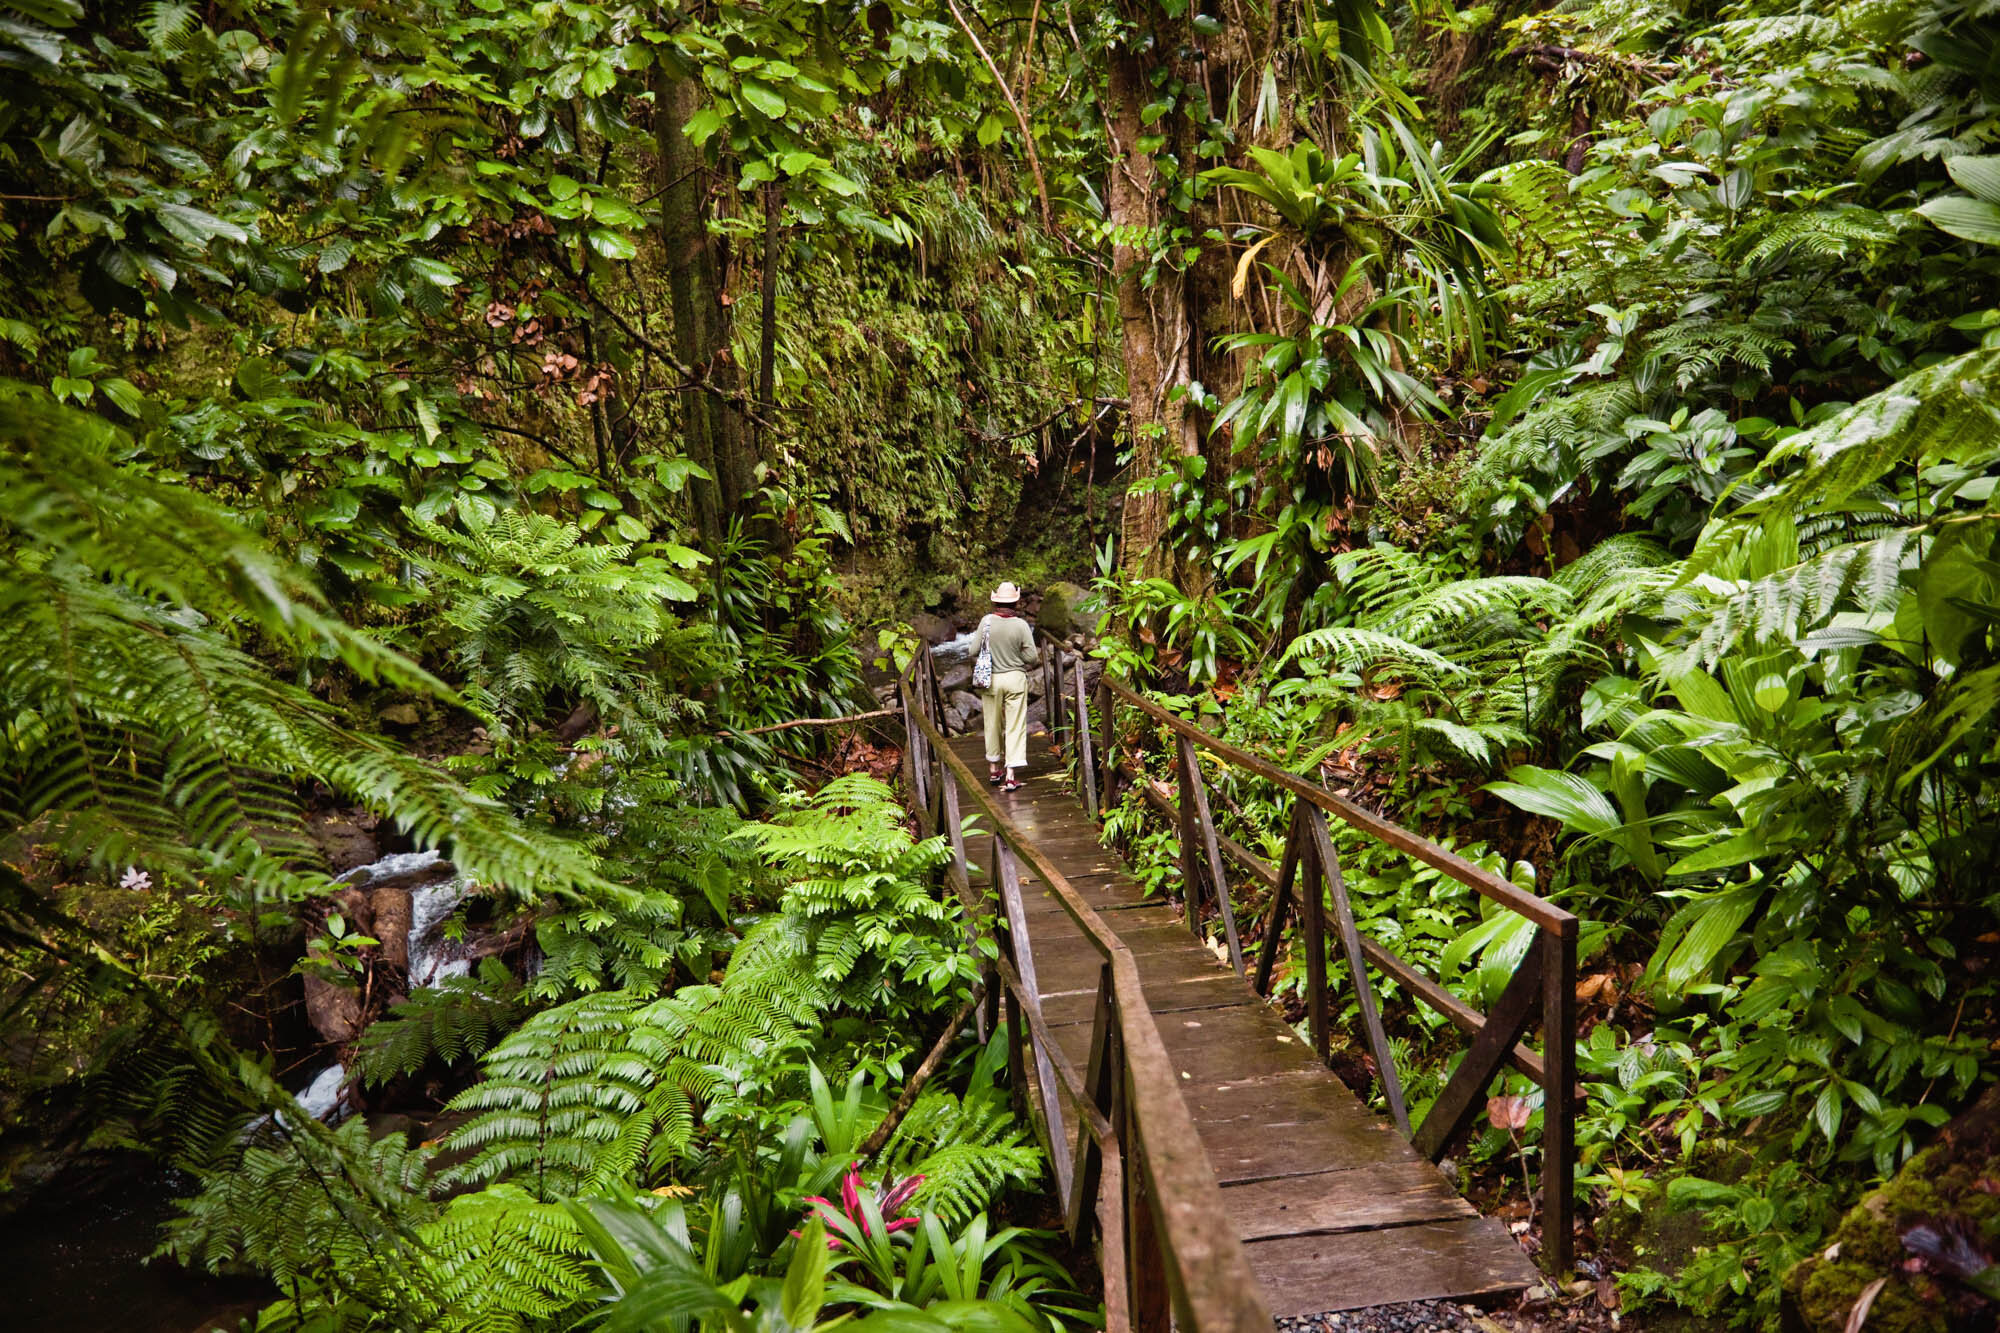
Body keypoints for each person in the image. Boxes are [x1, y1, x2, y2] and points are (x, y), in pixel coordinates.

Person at [970, 581, 1036, 792]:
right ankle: (1010, 776)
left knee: (992, 722)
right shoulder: (1021, 625)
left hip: (992, 681)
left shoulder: (986, 622)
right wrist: (1017, 656)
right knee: (1015, 725)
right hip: (1015, 679)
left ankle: (993, 769)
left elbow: (972, 650)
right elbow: (1032, 657)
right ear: (1016, 602)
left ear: (995, 601)